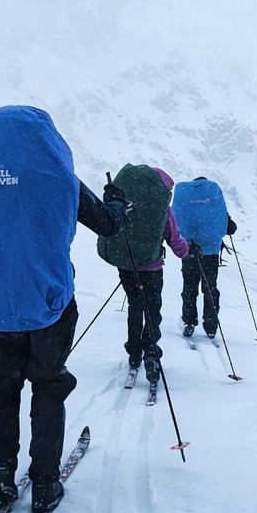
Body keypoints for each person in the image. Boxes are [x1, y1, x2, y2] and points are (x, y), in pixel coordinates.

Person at [0, 106, 129, 513]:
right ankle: (45, 482)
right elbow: (107, 224)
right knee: (48, 384)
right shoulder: (55, 175)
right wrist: (117, 203)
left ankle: (1, 475)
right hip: (48, 299)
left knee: (5, 382)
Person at [96, 164, 188, 385]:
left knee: (135, 308)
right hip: (152, 268)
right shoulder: (160, 207)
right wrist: (186, 252)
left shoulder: (124, 204)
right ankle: (150, 352)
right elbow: (174, 238)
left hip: (127, 267)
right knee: (152, 310)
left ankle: (134, 352)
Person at [171, 176, 238, 340]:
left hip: (189, 250)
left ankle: (189, 322)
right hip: (210, 251)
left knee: (189, 287)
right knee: (210, 288)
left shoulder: (185, 201)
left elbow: (174, 220)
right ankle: (211, 325)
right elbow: (230, 228)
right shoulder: (213, 204)